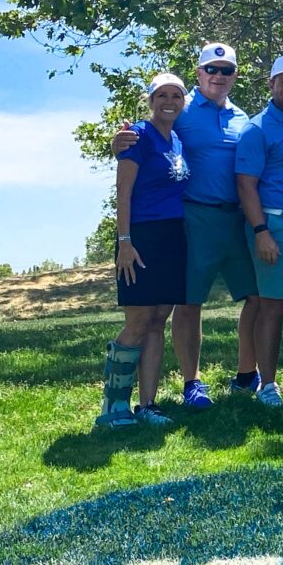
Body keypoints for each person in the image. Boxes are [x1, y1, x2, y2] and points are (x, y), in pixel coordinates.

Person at [110, 43, 261, 408]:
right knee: (188, 302)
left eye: (227, 70)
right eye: (212, 69)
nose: (219, 76)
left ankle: (246, 374)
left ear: (235, 76)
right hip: (194, 217)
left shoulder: (242, 118)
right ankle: (190, 382)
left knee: (257, 296)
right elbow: (141, 140)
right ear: (199, 73)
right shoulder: (183, 110)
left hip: (236, 217)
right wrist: (117, 142)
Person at [98, 73, 191, 429]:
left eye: (176, 95)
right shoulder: (137, 137)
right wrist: (124, 242)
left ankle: (147, 405)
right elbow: (124, 194)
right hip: (140, 237)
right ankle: (113, 405)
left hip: (172, 237)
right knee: (137, 322)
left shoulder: (178, 140)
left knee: (158, 320)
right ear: (150, 101)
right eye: (161, 95)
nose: (169, 101)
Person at [235, 54, 283, 408]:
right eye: (282, 81)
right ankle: (267, 384)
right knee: (272, 307)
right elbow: (246, 185)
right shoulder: (256, 128)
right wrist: (261, 231)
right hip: (275, 224)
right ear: (271, 85)